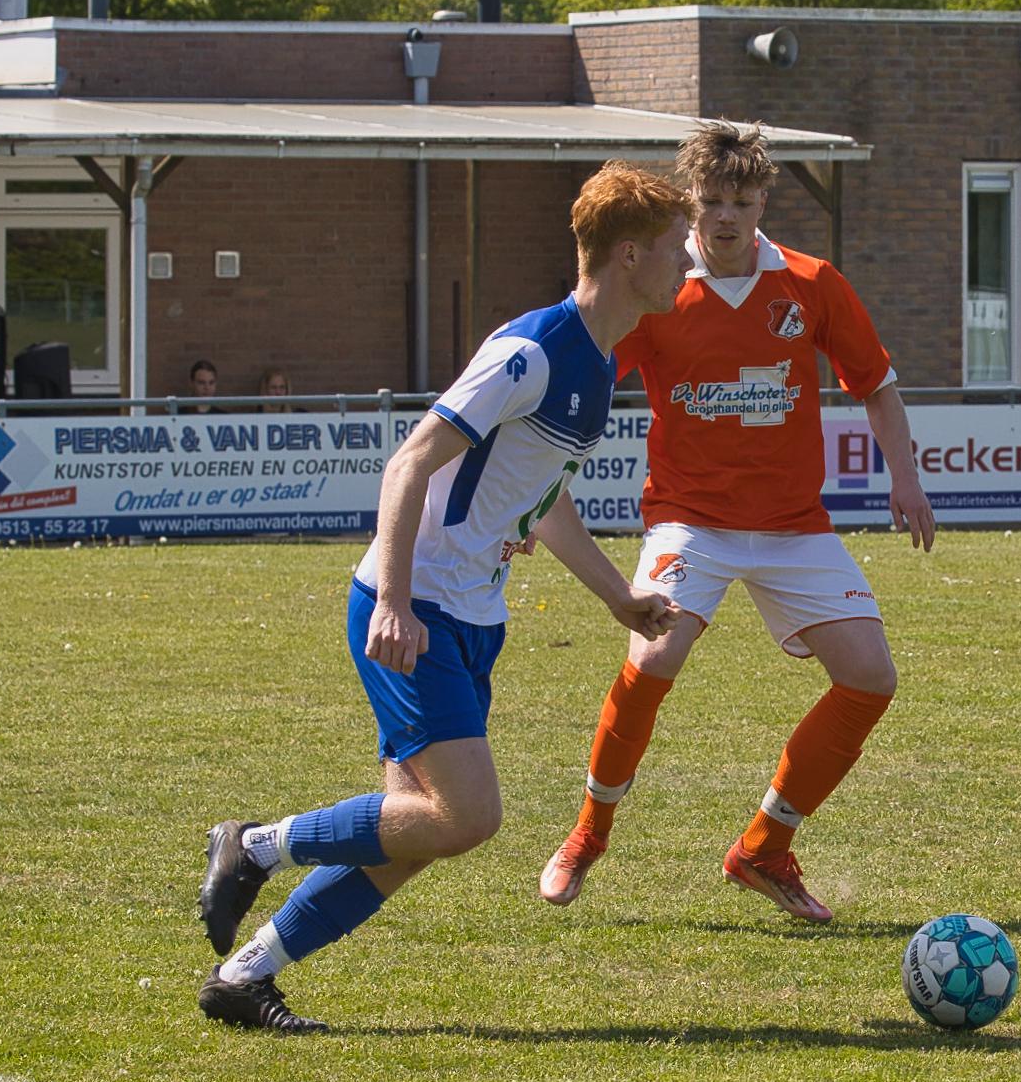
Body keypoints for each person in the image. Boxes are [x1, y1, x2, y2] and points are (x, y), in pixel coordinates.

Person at [195, 162, 696, 1034]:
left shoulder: (597, 362)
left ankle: (244, 975)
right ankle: (255, 843)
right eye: (675, 246)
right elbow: (409, 462)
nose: (687, 261)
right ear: (628, 254)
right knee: (467, 816)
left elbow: (545, 500)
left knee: (409, 835)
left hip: (471, 617)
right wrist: (394, 599)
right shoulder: (531, 351)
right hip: (416, 610)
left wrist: (618, 596)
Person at [538, 120, 937, 925]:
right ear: (690, 201)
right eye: (712, 200)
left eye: (741, 201)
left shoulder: (811, 283)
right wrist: (526, 495)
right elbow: (579, 386)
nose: (725, 216)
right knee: (654, 656)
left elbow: (876, 383)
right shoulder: (657, 289)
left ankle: (763, 846)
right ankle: (589, 832)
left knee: (871, 677)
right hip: (691, 520)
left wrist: (906, 475)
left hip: (794, 524)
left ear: (763, 203)